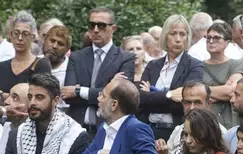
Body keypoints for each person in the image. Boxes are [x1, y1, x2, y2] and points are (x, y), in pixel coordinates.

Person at [62, 7, 134, 135]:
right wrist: (107, 88)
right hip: (75, 130)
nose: (95, 30)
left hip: (108, 130)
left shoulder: (125, 59)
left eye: (101, 26)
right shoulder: (76, 57)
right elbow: (68, 96)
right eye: (91, 25)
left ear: (113, 29)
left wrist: (79, 91)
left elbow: (120, 98)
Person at [138, 15, 204, 141]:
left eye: (182, 34)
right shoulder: (153, 65)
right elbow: (140, 99)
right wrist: (168, 95)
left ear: (187, 37)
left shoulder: (195, 65)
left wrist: (151, 95)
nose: (178, 39)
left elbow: (185, 104)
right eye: (173, 33)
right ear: (165, 36)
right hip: (147, 129)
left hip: (177, 131)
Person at [159, 81, 227, 154]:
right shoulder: (178, 130)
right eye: (187, 102)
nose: (191, 108)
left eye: (197, 102)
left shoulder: (219, 133)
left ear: (209, 104)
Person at [202, 21, 243, 130]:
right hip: (204, 123)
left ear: (227, 42)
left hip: (228, 123)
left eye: (216, 38)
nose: (211, 41)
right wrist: (221, 91)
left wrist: (203, 92)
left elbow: (231, 91)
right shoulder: (198, 66)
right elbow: (193, 94)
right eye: (208, 37)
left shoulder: (235, 64)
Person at [0, 11, 52, 97]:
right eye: (16, 33)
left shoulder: (41, 65)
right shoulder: (2, 67)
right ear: (10, 35)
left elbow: (40, 97)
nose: (20, 38)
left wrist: (3, 95)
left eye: (25, 34)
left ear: (32, 37)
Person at [0, 83, 30, 154]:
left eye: (15, 98)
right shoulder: (6, 127)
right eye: (9, 96)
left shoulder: (33, 136)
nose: (6, 101)